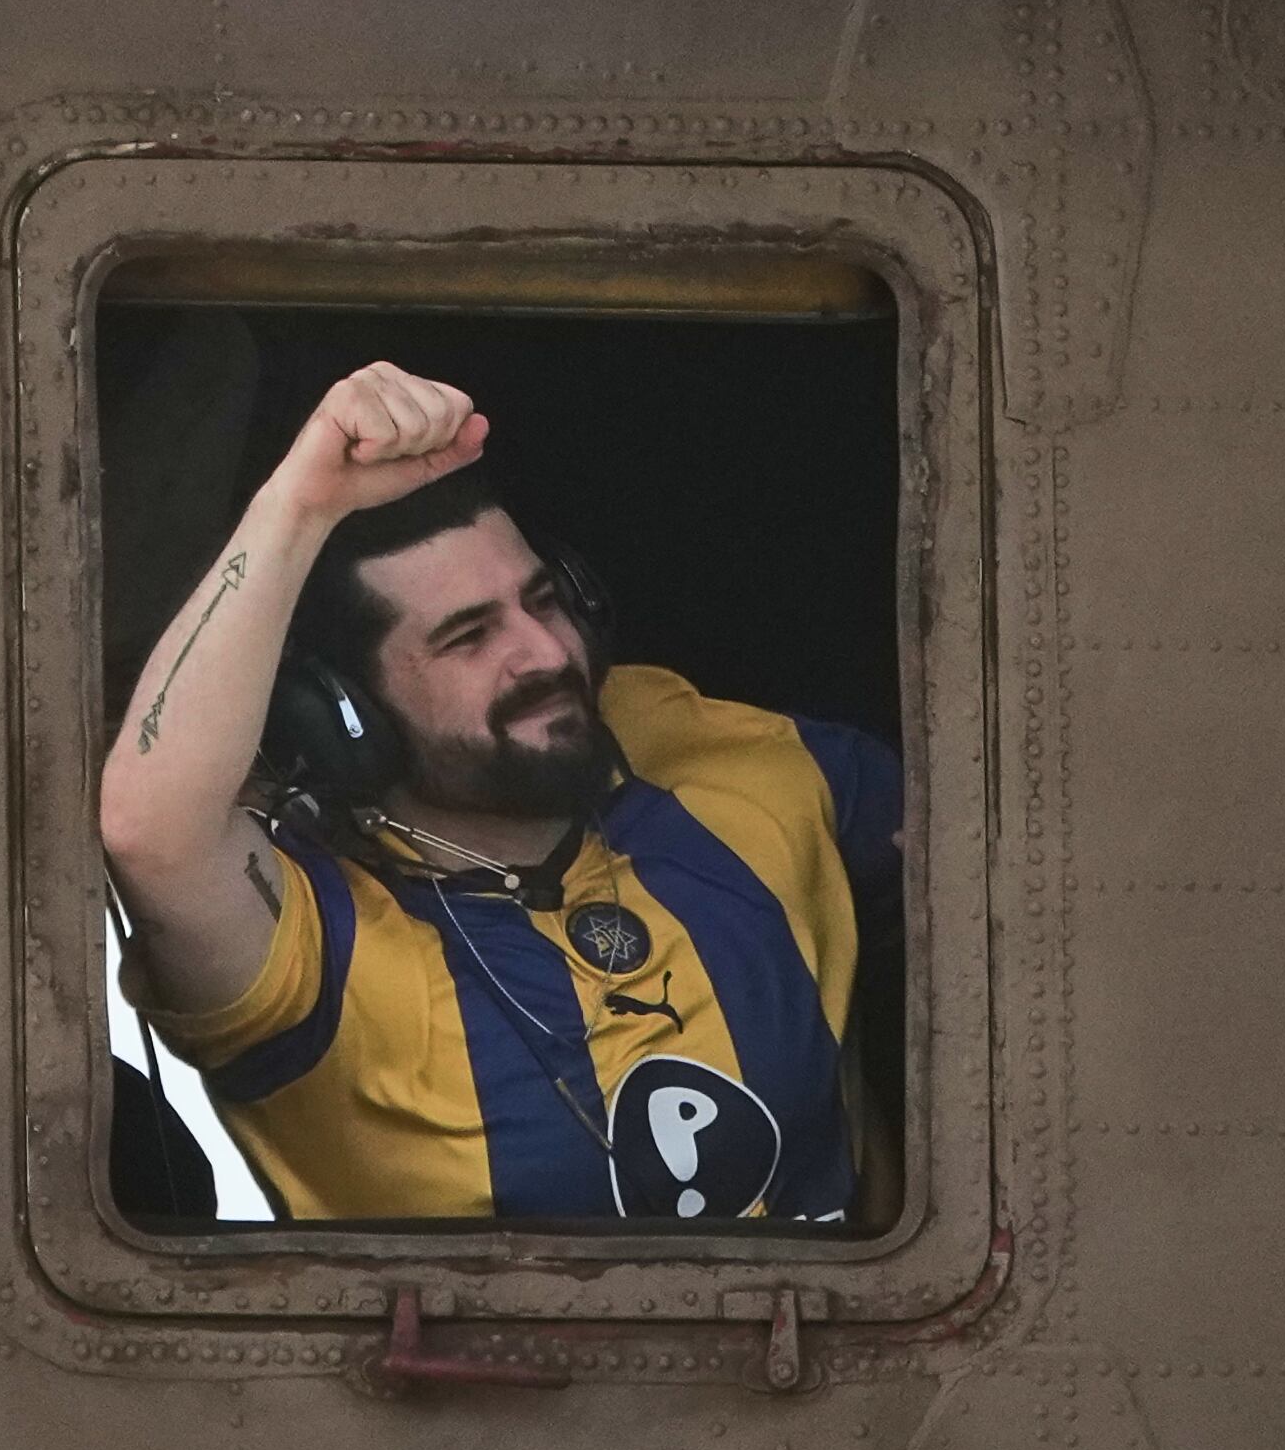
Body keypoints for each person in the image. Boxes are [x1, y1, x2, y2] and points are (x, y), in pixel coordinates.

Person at [99, 360, 901, 1223]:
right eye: (470, 637)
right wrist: (302, 502)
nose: (550, 655)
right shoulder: (313, 948)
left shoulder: (700, 745)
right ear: (343, 711)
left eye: (545, 600)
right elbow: (152, 830)